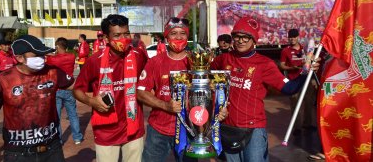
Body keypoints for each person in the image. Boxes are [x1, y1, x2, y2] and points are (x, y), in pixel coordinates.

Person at [210, 16, 320, 162]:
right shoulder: (224, 59)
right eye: (237, 36)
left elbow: (288, 88)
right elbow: (208, 77)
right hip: (228, 127)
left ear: (254, 40)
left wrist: (306, 73)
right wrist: (215, 102)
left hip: (254, 129)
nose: (241, 40)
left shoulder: (265, 64)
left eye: (246, 37)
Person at [137, 17, 227, 162]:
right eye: (173, 33)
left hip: (191, 130)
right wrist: (165, 105)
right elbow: (141, 93)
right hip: (159, 130)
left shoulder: (199, 62)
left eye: (182, 33)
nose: (178, 37)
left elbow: (213, 92)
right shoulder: (155, 62)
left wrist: (219, 108)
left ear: (188, 36)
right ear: (166, 36)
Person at [73, 14, 147, 162]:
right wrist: (92, 101)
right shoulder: (95, 61)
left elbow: (148, 82)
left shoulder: (139, 56)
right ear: (106, 38)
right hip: (106, 131)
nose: (124, 39)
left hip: (133, 129)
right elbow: (77, 90)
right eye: (117, 35)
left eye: (126, 33)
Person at [0, 35, 74, 162]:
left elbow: (79, 86)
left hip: (51, 148)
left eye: (43, 55)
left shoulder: (53, 72)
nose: (41, 59)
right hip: (17, 153)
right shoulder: (2, 80)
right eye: (36, 55)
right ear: (19, 58)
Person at [46, 37, 84, 145]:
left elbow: (48, 61)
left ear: (57, 46)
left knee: (56, 116)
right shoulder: (71, 56)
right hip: (69, 88)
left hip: (57, 90)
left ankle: (59, 139)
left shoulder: (52, 59)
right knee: (73, 114)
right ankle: (77, 137)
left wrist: (51, 52)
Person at [280, 29, 317, 135]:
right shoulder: (285, 51)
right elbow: (281, 65)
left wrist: (311, 60)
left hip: (306, 79)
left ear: (297, 37)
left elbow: (311, 59)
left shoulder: (304, 48)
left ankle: (308, 124)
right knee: (295, 104)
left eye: (294, 37)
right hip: (293, 80)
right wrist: (292, 67)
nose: (292, 39)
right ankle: (297, 127)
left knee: (309, 102)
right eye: (290, 38)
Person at [0, 40, 16, 134]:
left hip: (10, 86)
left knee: (12, 109)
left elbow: (17, 65)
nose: (7, 46)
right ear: (0, 46)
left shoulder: (11, 56)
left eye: (8, 44)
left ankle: (12, 128)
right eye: (5, 45)